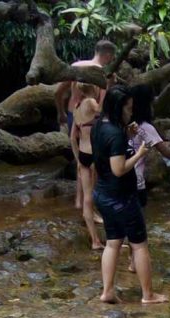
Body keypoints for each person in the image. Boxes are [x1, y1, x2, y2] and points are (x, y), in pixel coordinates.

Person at [92, 85, 167, 304]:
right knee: (139, 244)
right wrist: (141, 153)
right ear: (118, 108)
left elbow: (108, 152)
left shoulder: (100, 126)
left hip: (103, 195)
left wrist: (127, 134)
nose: (131, 113)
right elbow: (119, 168)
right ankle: (148, 295)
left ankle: (107, 291)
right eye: (128, 109)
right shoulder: (115, 134)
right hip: (121, 198)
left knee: (113, 242)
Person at [55, 39, 116, 209]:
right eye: (112, 57)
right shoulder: (101, 73)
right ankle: (90, 201)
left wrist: (60, 112)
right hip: (91, 119)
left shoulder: (76, 66)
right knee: (91, 161)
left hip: (73, 114)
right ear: (108, 55)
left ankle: (78, 200)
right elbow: (102, 105)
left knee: (79, 158)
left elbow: (58, 92)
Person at [70, 82, 104, 250]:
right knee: (94, 195)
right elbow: (104, 111)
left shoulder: (76, 108)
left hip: (83, 154)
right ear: (94, 88)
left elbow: (72, 138)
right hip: (95, 154)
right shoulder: (91, 102)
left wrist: (77, 158)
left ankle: (95, 240)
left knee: (87, 198)